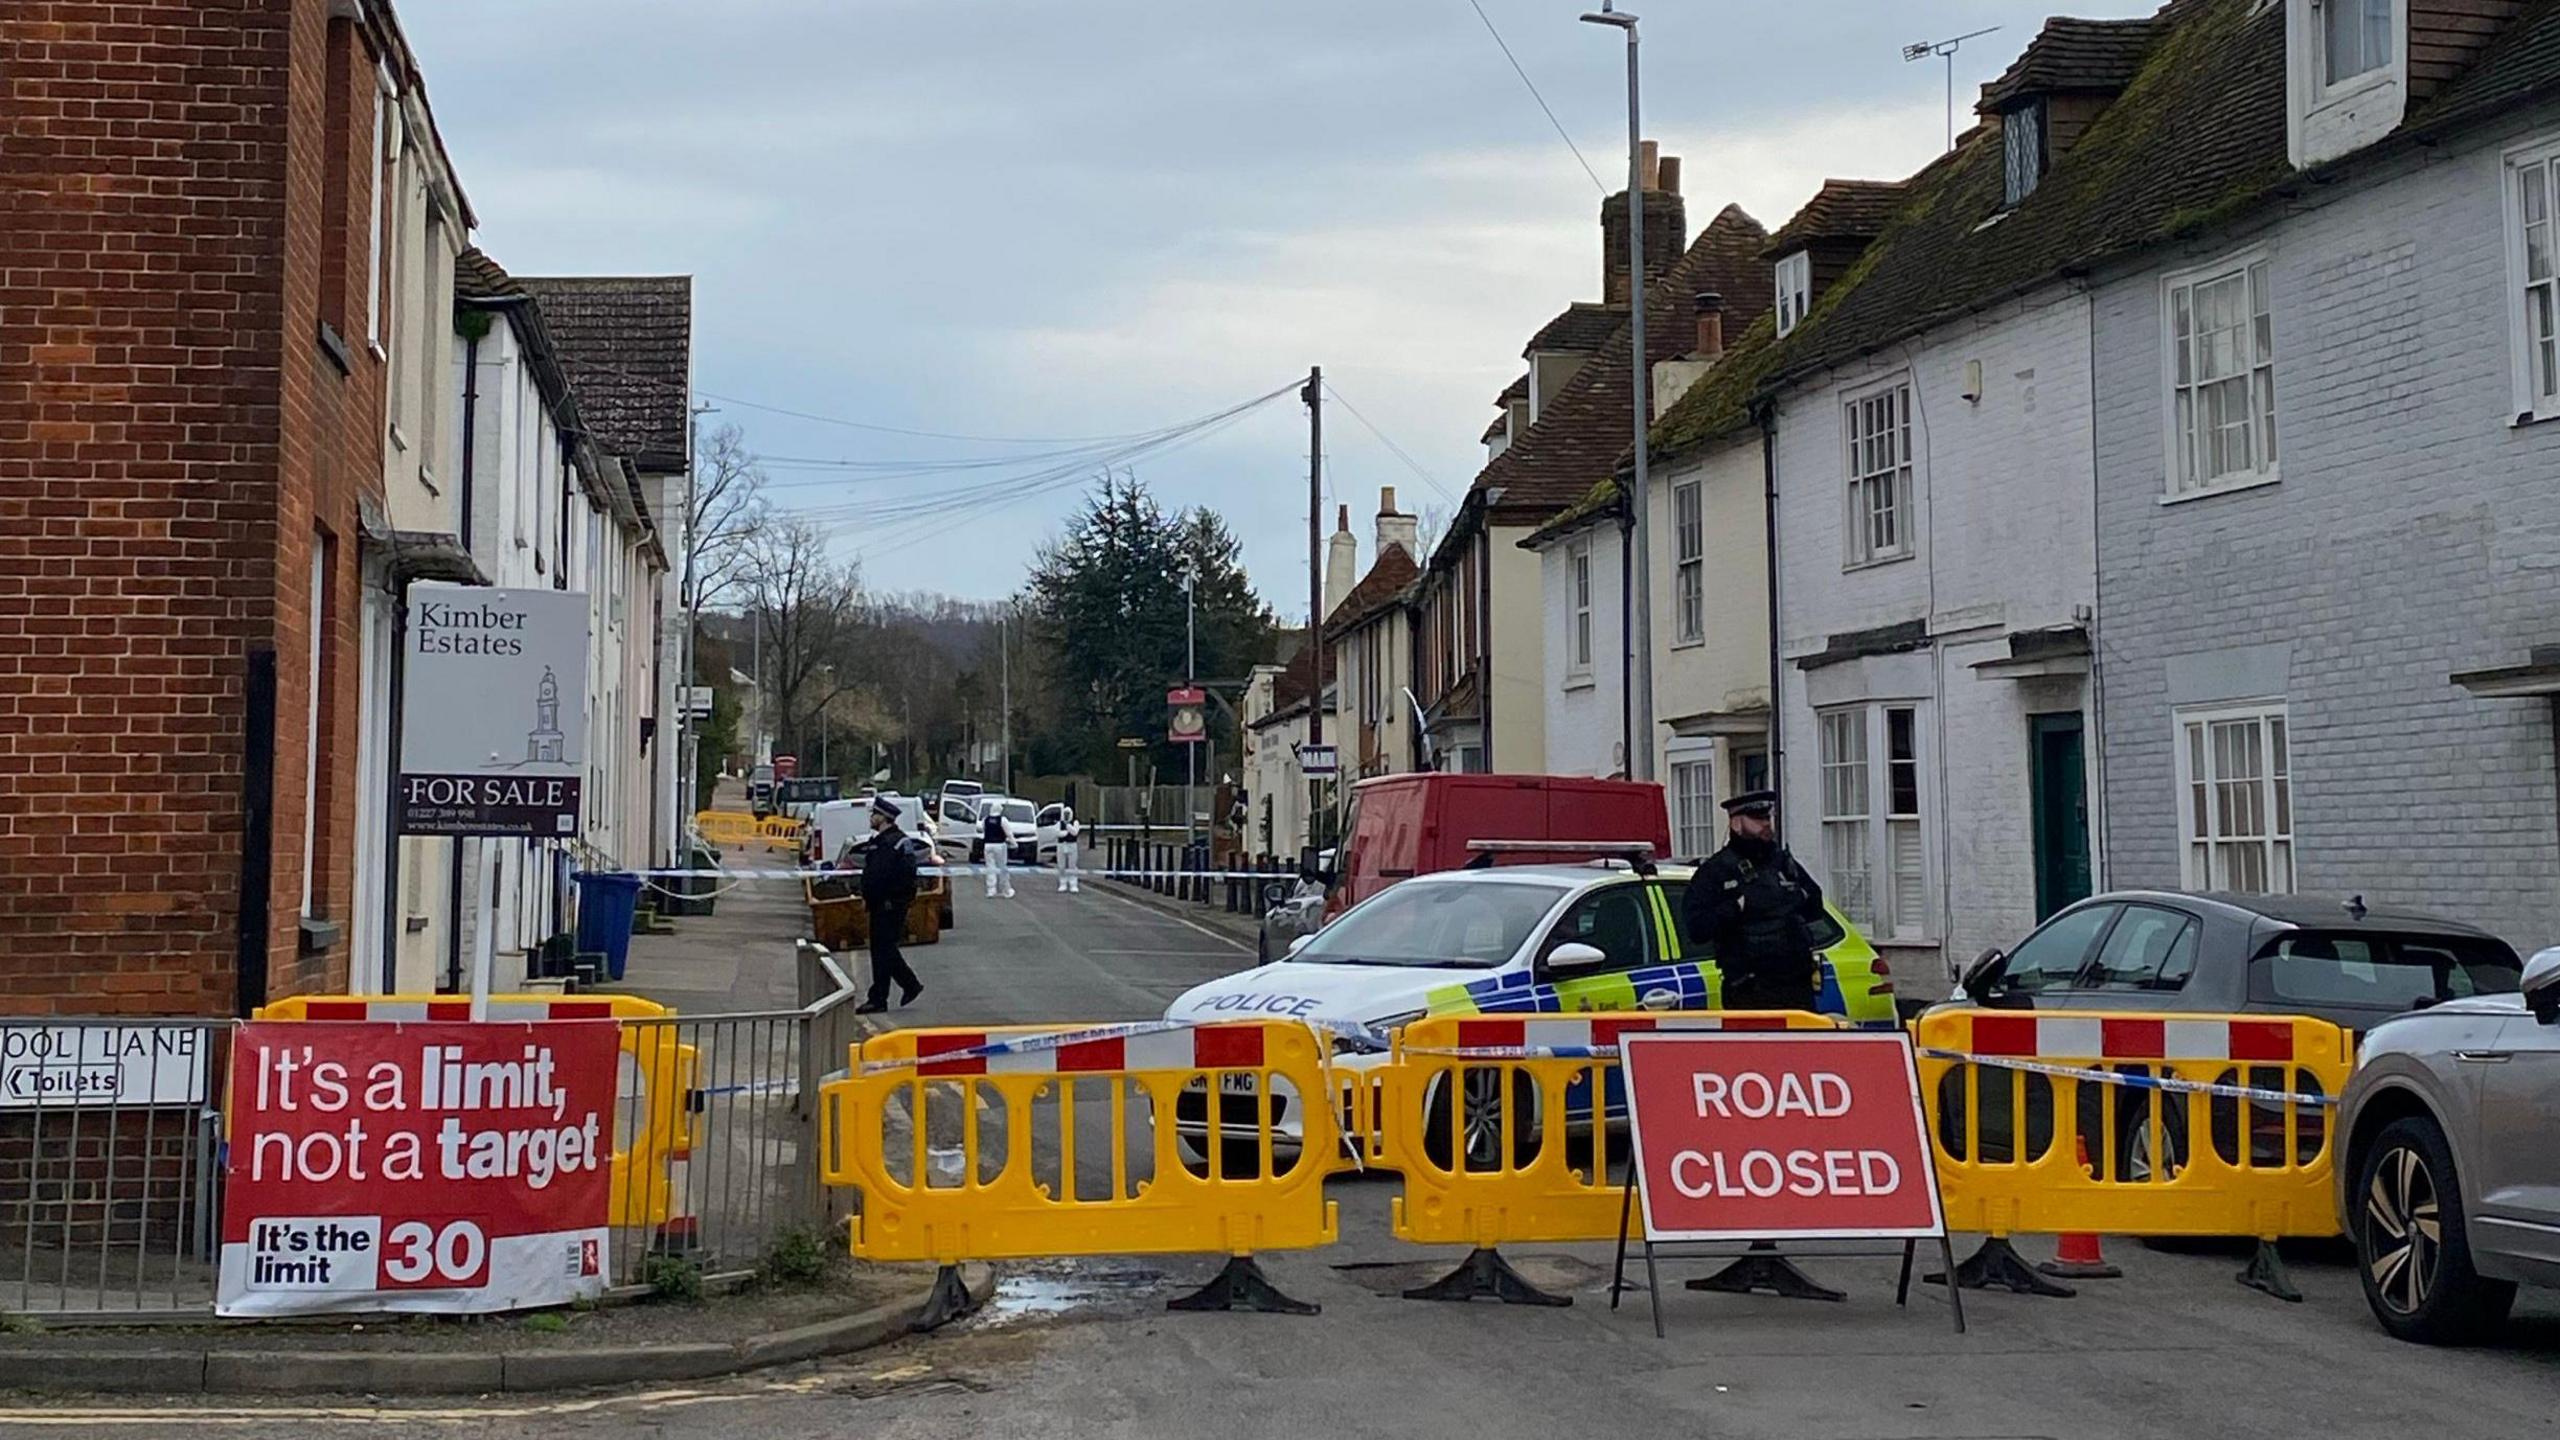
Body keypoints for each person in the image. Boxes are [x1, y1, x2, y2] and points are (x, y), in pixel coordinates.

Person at [1681, 789, 1828, 1013]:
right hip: (1749, 988)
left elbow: (1815, 905)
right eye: (1758, 819)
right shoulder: (1716, 871)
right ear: (1737, 823)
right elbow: (1697, 928)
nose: (1766, 824)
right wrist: (1736, 908)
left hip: (1795, 986)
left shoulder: (1782, 862)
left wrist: (1791, 900)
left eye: (1768, 817)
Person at [855, 794, 922, 1015]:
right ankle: (887, 993)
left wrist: (882, 898)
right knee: (883, 950)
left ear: (883, 818)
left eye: (874, 814)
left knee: (884, 950)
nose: (871, 817)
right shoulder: (888, 841)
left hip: (888, 905)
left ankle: (896, 990)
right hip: (884, 904)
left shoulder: (891, 843)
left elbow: (883, 876)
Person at [980, 803, 1015, 898]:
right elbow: (1009, 833)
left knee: (990, 867)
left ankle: (991, 890)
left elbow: (984, 830)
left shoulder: (985, 820)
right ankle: (1006, 890)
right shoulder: (1002, 820)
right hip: (1000, 845)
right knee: (1002, 867)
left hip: (987, 845)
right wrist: (1014, 843)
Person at [1055, 806, 1082, 893]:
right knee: (1061, 865)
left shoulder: (1075, 822)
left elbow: (1075, 832)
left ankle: (1073, 884)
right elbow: (1057, 833)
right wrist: (1065, 833)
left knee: (1072, 865)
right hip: (1061, 845)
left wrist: (1068, 827)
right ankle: (1062, 883)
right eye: (1065, 814)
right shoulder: (1059, 823)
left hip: (1072, 845)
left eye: (1068, 814)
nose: (1066, 816)